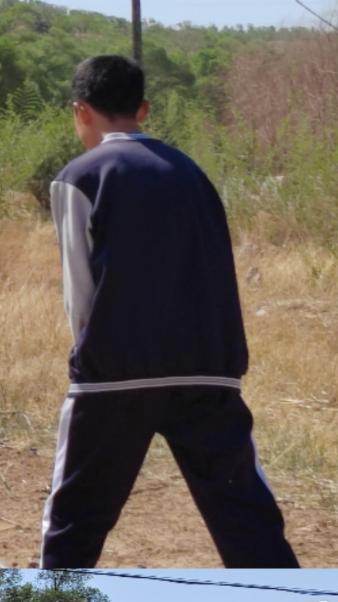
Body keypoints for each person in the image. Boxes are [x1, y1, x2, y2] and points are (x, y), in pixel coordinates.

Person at [42, 55, 299, 569]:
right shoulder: (192, 173)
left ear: (80, 111)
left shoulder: (80, 175)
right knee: (246, 517)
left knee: (75, 520)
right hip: (210, 372)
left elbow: (81, 291)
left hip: (114, 377)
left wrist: (89, 360)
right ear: (143, 110)